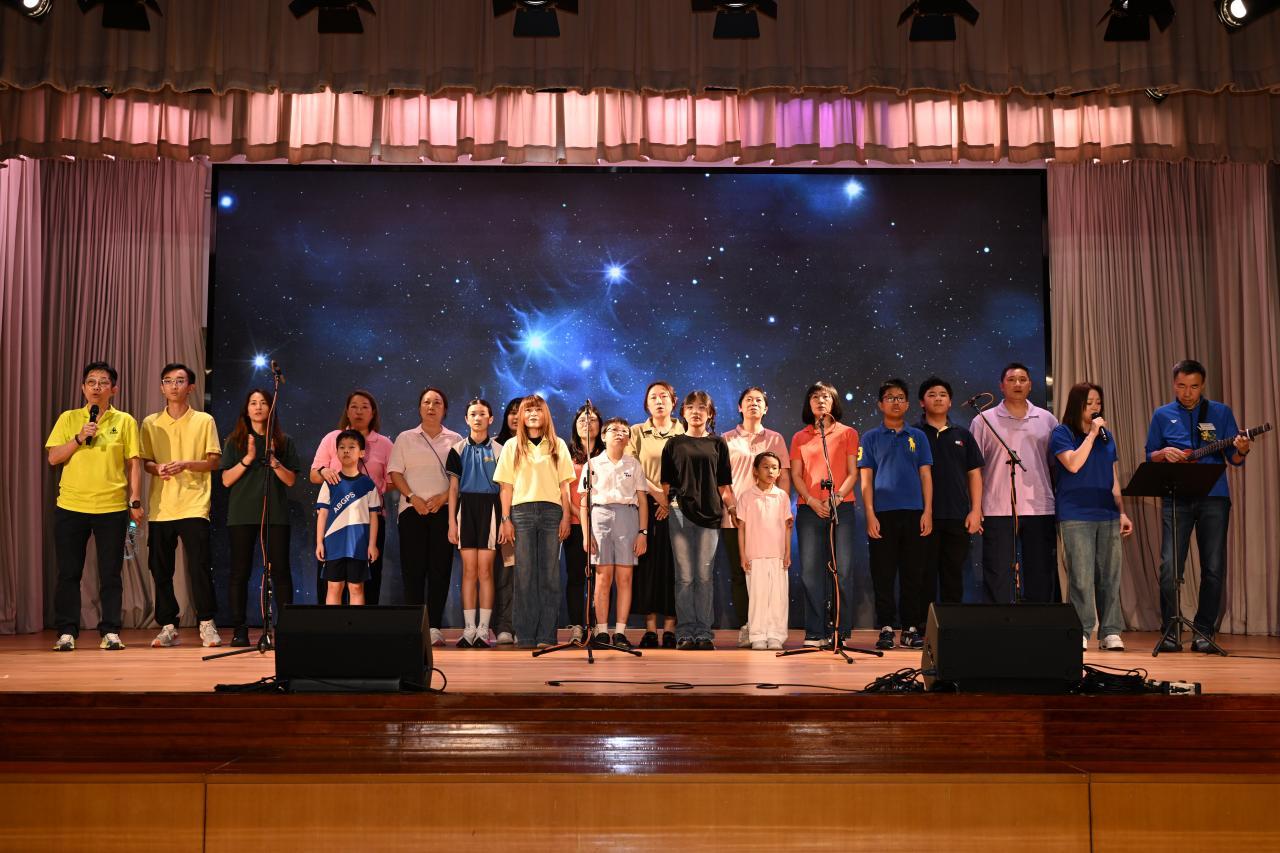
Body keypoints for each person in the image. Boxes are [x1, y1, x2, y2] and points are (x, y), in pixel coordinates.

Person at [1145, 359, 1252, 652]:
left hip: (1214, 498)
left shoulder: (1220, 412)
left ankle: (1204, 631)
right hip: (1176, 498)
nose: (1187, 393)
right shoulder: (1162, 414)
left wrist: (1242, 449)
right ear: (1173, 384)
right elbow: (1149, 454)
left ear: (1202, 385)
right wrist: (1163, 453)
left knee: (1213, 567)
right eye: (1181, 386)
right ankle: (1170, 630)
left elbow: (1235, 459)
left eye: (1193, 387)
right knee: (1169, 567)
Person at [46, 361, 145, 652]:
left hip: (111, 508)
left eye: (103, 383)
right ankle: (66, 631)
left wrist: (135, 501)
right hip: (71, 506)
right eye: (91, 382)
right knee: (68, 573)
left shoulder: (125, 421)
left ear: (114, 389)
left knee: (111, 573)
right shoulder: (69, 418)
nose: (96, 387)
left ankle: (111, 631)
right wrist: (79, 437)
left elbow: (134, 464)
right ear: (83, 388)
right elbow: (53, 458)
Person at [139, 363, 223, 648]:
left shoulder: (204, 420)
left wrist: (186, 464)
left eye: (179, 381)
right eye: (168, 381)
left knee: (199, 566)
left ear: (191, 387)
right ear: (161, 387)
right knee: (160, 568)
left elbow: (214, 461)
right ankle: (168, 625)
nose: (173, 386)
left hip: (194, 504)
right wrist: (158, 468)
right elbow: (146, 462)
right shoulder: (150, 422)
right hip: (161, 506)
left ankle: (207, 622)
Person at [1052, 382, 1134, 652]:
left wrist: (1121, 512)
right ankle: (1082, 629)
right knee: (1081, 575)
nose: (1095, 407)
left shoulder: (1106, 437)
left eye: (1098, 402)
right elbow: (1073, 464)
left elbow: (1113, 478)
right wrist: (1091, 435)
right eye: (1089, 403)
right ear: (1077, 405)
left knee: (1110, 575)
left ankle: (1111, 631)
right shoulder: (1062, 433)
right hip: (1076, 513)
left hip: (1107, 512)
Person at [969, 363, 1059, 603]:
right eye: (1011, 380)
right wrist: (976, 507)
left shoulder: (1047, 419)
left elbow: (1055, 465)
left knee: (1040, 572)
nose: (1017, 384)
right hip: (997, 508)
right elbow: (974, 469)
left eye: (1022, 379)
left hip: (1040, 507)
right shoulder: (983, 420)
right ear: (1001, 386)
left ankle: (1038, 621)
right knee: (997, 573)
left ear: (1030, 385)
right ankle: (999, 622)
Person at [219, 388, 301, 647]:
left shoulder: (283, 441)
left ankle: (285, 628)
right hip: (241, 514)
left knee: (281, 572)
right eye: (253, 403)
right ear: (246, 409)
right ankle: (239, 629)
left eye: (263, 402)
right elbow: (226, 480)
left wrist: (273, 460)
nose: (257, 407)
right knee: (239, 572)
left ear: (270, 408)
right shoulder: (235, 441)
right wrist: (248, 458)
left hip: (275, 515)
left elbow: (290, 480)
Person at [493, 395, 575, 649]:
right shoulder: (512, 446)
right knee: (524, 574)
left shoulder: (558, 445)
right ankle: (526, 634)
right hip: (521, 512)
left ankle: (546, 635)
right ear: (521, 416)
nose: (532, 414)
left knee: (549, 575)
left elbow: (565, 487)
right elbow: (505, 487)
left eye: (537, 409)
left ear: (545, 414)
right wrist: (505, 519)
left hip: (552, 512)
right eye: (528, 410)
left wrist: (566, 516)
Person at [859, 379, 934, 650]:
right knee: (883, 573)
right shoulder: (870, 437)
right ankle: (887, 627)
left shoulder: (918, 436)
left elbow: (926, 476)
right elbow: (866, 480)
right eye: (890, 397)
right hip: (883, 515)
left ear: (908, 403)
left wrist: (928, 511)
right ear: (880, 404)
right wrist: (870, 514)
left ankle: (911, 628)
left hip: (914, 513)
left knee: (913, 573)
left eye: (901, 397)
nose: (896, 402)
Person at [661, 390, 736, 651]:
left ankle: (703, 633)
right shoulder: (673, 444)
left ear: (710, 413)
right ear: (682, 412)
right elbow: (666, 483)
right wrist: (669, 504)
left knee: (704, 576)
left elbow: (724, 485)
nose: (696, 412)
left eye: (702, 407)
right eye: (690, 407)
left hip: (710, 515)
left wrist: (732, 507)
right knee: (684, 575)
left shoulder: (718, 443)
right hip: (679, 513)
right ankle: (684, 632)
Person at [388, 387, 462, 647]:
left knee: (440, 570)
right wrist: (412, 497)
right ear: (420, 407)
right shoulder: (405, 438)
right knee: (413, 570)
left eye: (437, 402)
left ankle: (434, 627)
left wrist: (443, 498)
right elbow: (395, 473)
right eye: (427, 402)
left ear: (445, 409)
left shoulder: (456, 439)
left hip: (443, 511)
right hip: (412, 511)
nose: (431, 407)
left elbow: (460, 478)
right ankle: (415, 625)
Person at [790, 381, 860, 647]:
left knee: (842, 570)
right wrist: (810, 500)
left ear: (834, 402)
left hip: (842, 507)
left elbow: (853, 473)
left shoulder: (848, 433)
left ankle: (840, 630)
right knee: (810, 572)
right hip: (809, 509)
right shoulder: (800, 437)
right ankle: (815, 631)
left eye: (826, 397)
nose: (820, 401)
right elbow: (796, 475)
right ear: (808, 403)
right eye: (815, 397)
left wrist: (837, 497)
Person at [720, 386, 791, 648]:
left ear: (766, 408)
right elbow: (722, 480)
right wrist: (731, 507)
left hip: (768, 522)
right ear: (740, 407)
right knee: (742, 573)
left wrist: (780, 508)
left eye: (759, 400)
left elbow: (784, 477)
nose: (753, 404)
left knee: (771, 576)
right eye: (748, 400)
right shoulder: (726, 439)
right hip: (735, 517)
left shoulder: (775, 439)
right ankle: (748, 626)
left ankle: (771, 629)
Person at [310, 390, 393, 604]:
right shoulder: (331, 438)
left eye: (365, 407)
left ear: (373, 412)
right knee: (332, 584)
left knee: (364, 583)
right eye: (354, 406)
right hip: (334, 524)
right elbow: (314, 474)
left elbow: (392, 480)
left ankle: (363, 623)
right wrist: (324, 472)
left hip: (367, 522)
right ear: (347, 411)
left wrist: (369, 493)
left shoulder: (384, 443)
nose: (359, 411)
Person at [580, 417, 649, 650]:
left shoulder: (633, 464)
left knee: (625, 577)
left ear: (628, 438)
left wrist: (642, 532)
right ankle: (601, 631)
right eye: (613, 430)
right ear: (603, 436)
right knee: (602, 576)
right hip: (599, 517)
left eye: (624, 430)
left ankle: (620, 632)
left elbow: (642, 500)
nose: (619, 433)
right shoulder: (592, 464)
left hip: (627, 517)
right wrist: (586, 534)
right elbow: (584, 502)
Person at [627, 381, 685, 649]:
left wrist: (669, 500)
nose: (659, 401)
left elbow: (688, 470)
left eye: (664, 396)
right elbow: (633, 467)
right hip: (645, 505)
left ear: (674, 401)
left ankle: (670, 628)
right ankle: (650, 628)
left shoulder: (684, 430)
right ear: (646, 403)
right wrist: (659, 497)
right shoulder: (637, 431)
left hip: (679, 506)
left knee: (674, 566)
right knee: (648, 566)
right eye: (653, 397)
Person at [917, 377, 984, 606]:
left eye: (943, 394)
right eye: (932, 394)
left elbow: (974, 474)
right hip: (923, 516)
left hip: (957, 515)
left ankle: (950, 623)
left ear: (950, 401)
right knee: (923, 576)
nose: (938, 398)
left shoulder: (963, 435)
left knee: (953, 576)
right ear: (922, 402)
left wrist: (975, 510)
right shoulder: (913, 434)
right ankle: (923, 624)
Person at [445, 398, 503, 648]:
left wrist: (505, 520)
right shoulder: (457, 449)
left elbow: (505, 488)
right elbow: (453, 488)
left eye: (482, 414)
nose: (477, 418)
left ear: (490, 419)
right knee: (468, 571)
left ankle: (483, 628)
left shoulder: (500, 450)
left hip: (490, 508)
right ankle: (469, 628)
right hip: (465, 508)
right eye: (473, 414)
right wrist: (451, 522)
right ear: (466, 419)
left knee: (485, 571)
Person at [315, 430, 381, 605]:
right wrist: (320, 542)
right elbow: (323, 514)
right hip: (333, 544)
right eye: (342, 447)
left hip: (358, 545)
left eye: (351, 447)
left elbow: (374, 516)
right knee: (334, 587)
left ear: (361, 453)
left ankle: (356, 623)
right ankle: (335, 623)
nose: (346, 451)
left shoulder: (367, 484)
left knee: (356, 587)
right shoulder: (330, 482)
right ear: (336, 452)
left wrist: (372, 544)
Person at [735, 451, 793, 651]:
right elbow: (741, 528)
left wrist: (787, 552)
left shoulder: (782, 497)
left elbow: (787, 527)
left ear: (779, 472)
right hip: (755, 555)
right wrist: (743, 555)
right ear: (755, 471)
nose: (770, 471)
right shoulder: (746, 496)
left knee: (778, 598)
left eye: (774, 468)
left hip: (777, 555)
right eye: (766, 467)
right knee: (757, 597)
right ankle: (758, 635)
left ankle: (776, 635)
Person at [566, 403, 604, 642]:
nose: (586, 424)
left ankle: (598, 626)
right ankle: (577, 627)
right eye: (582, 420)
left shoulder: (607, 453)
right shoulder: (565, 453)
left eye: (592, 420)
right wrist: (579, 515)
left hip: (603, 525)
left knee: (600, 578)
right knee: (576, 577)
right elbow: (562, 490)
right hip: (574, 522)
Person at [491, 397, 524, 644]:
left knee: (527, 574)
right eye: (511, 412)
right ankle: (503, 625)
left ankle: (524, 625)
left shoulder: (538, 446)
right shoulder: (495, 445)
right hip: (501, 515)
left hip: (529, 514)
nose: (515, 417)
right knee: (504, 573)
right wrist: (505, 518)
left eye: (520, 412)